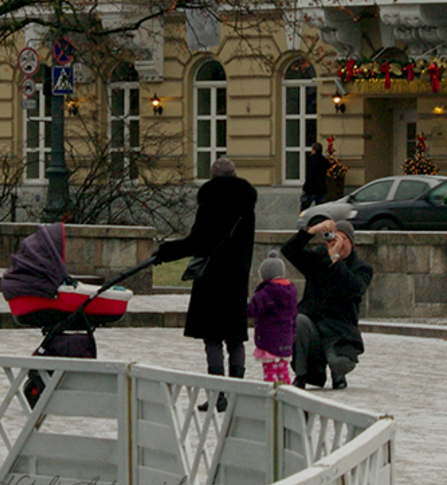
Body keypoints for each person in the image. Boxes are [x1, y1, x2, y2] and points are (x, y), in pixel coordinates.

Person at [154, 156, 257, 411]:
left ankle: (217, 394)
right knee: (235, 338)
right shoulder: (247, 207)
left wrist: (166, 252)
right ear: (235, 176)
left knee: (212, 338)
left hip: (211, 279)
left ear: (212, 177)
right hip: (236, 280)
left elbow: (196, 242)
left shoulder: (209, 203)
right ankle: (237, 394)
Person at [281, 218, 372, 390]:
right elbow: (289, 250)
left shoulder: (361, 268)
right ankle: (301, 375)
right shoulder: (319, 257)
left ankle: (338, 374)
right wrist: (312, 231)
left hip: (340, 330)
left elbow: (354, 289)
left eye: (343, 239)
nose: (338, 243)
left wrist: (335, 260)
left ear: (352, 243)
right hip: (314, 325)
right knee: (299, 321)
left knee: (340, 362)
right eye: (334, 238)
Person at [246, 251, 298, 384]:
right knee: (282, 369)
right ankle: (286, 391)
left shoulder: (265, 292)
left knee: (269, 369)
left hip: (269, 339)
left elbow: (253, 310)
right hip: (286, 339)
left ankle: (269, 392)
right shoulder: (290, 292)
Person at [300, 142, 330, 212]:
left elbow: (309, 175)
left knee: (304, 210)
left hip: (310, 188)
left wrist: (305, 187)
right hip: (321, 188)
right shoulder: (324, 161)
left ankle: (303, 221)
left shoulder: (311, 160)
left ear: (314, 150)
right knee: (321, 210)